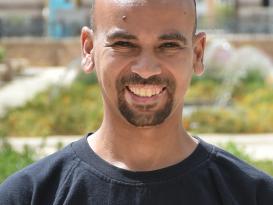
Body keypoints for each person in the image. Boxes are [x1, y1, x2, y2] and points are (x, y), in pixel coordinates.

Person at [0, 0, 273, 204]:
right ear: (88, 49)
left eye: (168, 46)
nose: (146, 69)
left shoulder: (254, 195)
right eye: (123, 44)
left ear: (198, 54)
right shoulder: (28, 196)